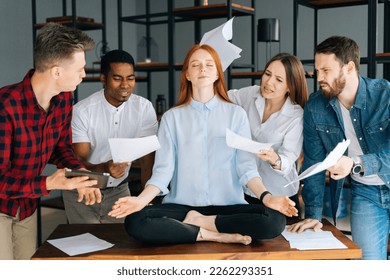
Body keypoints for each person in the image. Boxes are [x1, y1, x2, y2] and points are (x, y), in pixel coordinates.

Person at [108, 44, 298, 245]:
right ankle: (212, 234)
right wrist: (140, 200)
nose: (203, 69)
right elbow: (163, 173)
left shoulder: (236, 114)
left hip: (229, 207)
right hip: (183, 207)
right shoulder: (172, 118)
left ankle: (200, 224)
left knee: (275, 221)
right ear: (187, 74)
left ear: (217, 74)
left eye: (209, 65)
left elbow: (247, 169)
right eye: (196, 65)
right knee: (135, 221)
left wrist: (267, 198)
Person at [0, 22, 97, 260]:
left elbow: (61, 148)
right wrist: (48, 184)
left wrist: (79, 173)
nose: (84, 74)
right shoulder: (5, 106)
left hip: (28, 208)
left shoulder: (64, 100)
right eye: (80, 69)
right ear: (56, 72)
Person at [288, 36, 390, 260]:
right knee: (367, 266)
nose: (319, 78)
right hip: (366, 194)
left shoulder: (385, 95)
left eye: (326, 70)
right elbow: (314, 162)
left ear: (350, 67)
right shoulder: (316, 106)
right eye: (317, 70)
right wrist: (313, 214)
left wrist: (356, 163)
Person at [63, 50, 158, 223]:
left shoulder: (144, 109)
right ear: (103, 79)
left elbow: (147, 161)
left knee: (121, 246)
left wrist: (146, 200)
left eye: (130, 78)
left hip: (120, 191)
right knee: (86, 246)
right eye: (117, 78)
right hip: (82, 191)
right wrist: (105, 168)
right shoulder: (82, 111)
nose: (125, 85)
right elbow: (78, 161)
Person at [228, 53, 308, 212]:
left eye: (278, 80)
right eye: (267, 74)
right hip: (246, 189)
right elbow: (224, 98)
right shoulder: (251, 94)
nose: (269, 82)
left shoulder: (296, 115)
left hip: (279, 194)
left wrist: (274, 159)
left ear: (290, 87)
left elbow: (289, 159)